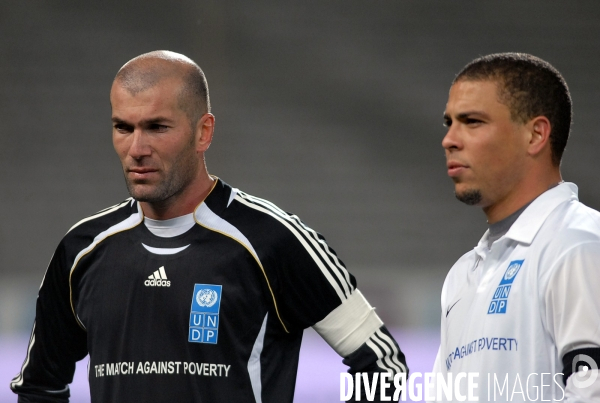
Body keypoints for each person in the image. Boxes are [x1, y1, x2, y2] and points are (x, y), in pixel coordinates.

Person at [10, 50, 407, 402]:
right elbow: (39, 388)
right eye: (123, 127)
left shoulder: (272, 240)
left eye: (157, 127)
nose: (137, 149)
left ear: (204, 132)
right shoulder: (81, 251)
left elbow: (385, 369)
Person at [429, 52, 600, 402]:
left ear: (535, 134)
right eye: (449, 123)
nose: (449, 140)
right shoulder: (462, 276)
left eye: (472, 121)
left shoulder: (578, 245)